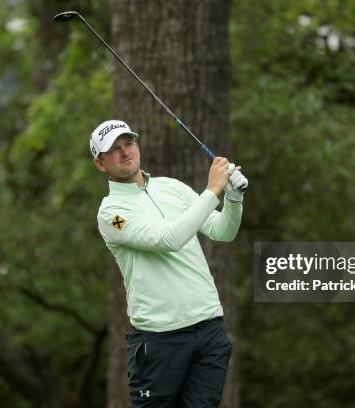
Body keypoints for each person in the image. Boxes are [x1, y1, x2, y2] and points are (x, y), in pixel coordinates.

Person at [91, 119, 247, 407]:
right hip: (160, 341)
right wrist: (213, 190)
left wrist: (233, 200)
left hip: (209, 329)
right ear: (101, 164)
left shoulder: (172, 187)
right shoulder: (111, 213)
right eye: (114, 150)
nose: (125, 152)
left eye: (128, 143)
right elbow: (168, 239)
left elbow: (222, 231)